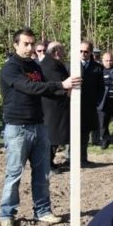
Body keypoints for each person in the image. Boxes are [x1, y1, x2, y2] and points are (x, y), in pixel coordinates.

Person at [0, 28, 81, 226]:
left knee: (42, 173)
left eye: (31, 44)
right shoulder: (10, 68)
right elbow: (30, 87)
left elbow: (45, 87)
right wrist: (61, 84)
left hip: (39, 125)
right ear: (16, 45)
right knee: (14, 173)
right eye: (25, 44)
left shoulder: (36, 66)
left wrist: (65, 91)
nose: (29, 48)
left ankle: (42, 210)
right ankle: (7, 214)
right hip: (18, 127)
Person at [40, 42, 70, 171]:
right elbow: (57, 84)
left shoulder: (51, 63)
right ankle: (47, 164)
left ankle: (50, 163)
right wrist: (66, 91)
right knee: (52, 137)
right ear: (56, 52)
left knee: (55, 137)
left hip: (57, 106)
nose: (64, 53)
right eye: (62, 50)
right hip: (53, 107)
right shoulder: (50, 65)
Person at [79, 40, 104, 165]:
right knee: (71, 133)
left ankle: (83, 158)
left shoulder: (98, 68)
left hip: (89, 106)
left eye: (86, 51)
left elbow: (101, 88)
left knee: (84, 134)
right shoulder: (71, 66)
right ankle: (70, 158)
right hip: (73, 106)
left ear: (90, 52)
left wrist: (97, 103)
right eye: (81, 51)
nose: (83, 53)